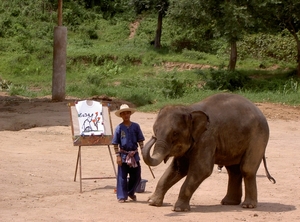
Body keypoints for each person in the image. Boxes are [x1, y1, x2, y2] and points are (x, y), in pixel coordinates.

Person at [112, 104, 145, 203]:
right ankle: (122, 196)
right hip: (123, 155)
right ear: (121, 115)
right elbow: (115, 143)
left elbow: (140, 140)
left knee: (136, 175)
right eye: (123, 114)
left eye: (127, 113)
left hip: (134, 155)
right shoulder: (119, 128)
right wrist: (118, 156)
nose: (126, 115)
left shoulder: (136, 126)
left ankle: (131, 192)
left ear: (130, 114)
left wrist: (143, 151)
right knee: (122, 176)